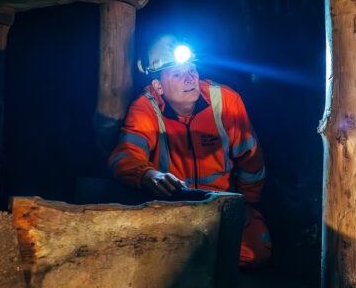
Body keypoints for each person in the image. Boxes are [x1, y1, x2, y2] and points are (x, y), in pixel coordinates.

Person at [109, 34, 271, 269]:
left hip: (220, 206)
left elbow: (251, 159)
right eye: (177, 73)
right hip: (172, 210)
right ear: (158, 86)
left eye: (192, 70)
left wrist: (247, 203)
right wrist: (147, 175)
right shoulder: (146, 108)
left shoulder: (225, 102)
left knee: (258, 250)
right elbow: (124, 156)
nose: (190, 78)